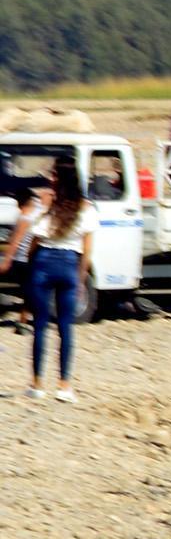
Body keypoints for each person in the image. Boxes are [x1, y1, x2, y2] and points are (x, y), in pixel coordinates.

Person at [8, 152, 91, 400]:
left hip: (44, 262)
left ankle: (37, 384)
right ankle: (64, 385)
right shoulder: (85, 207)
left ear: (56, 178)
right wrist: (81, 277)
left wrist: (31, 261)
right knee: (66, 326)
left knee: (40, 325)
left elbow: (33, 238)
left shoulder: (45, 201)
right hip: (69, 264)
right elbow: (88, 250)